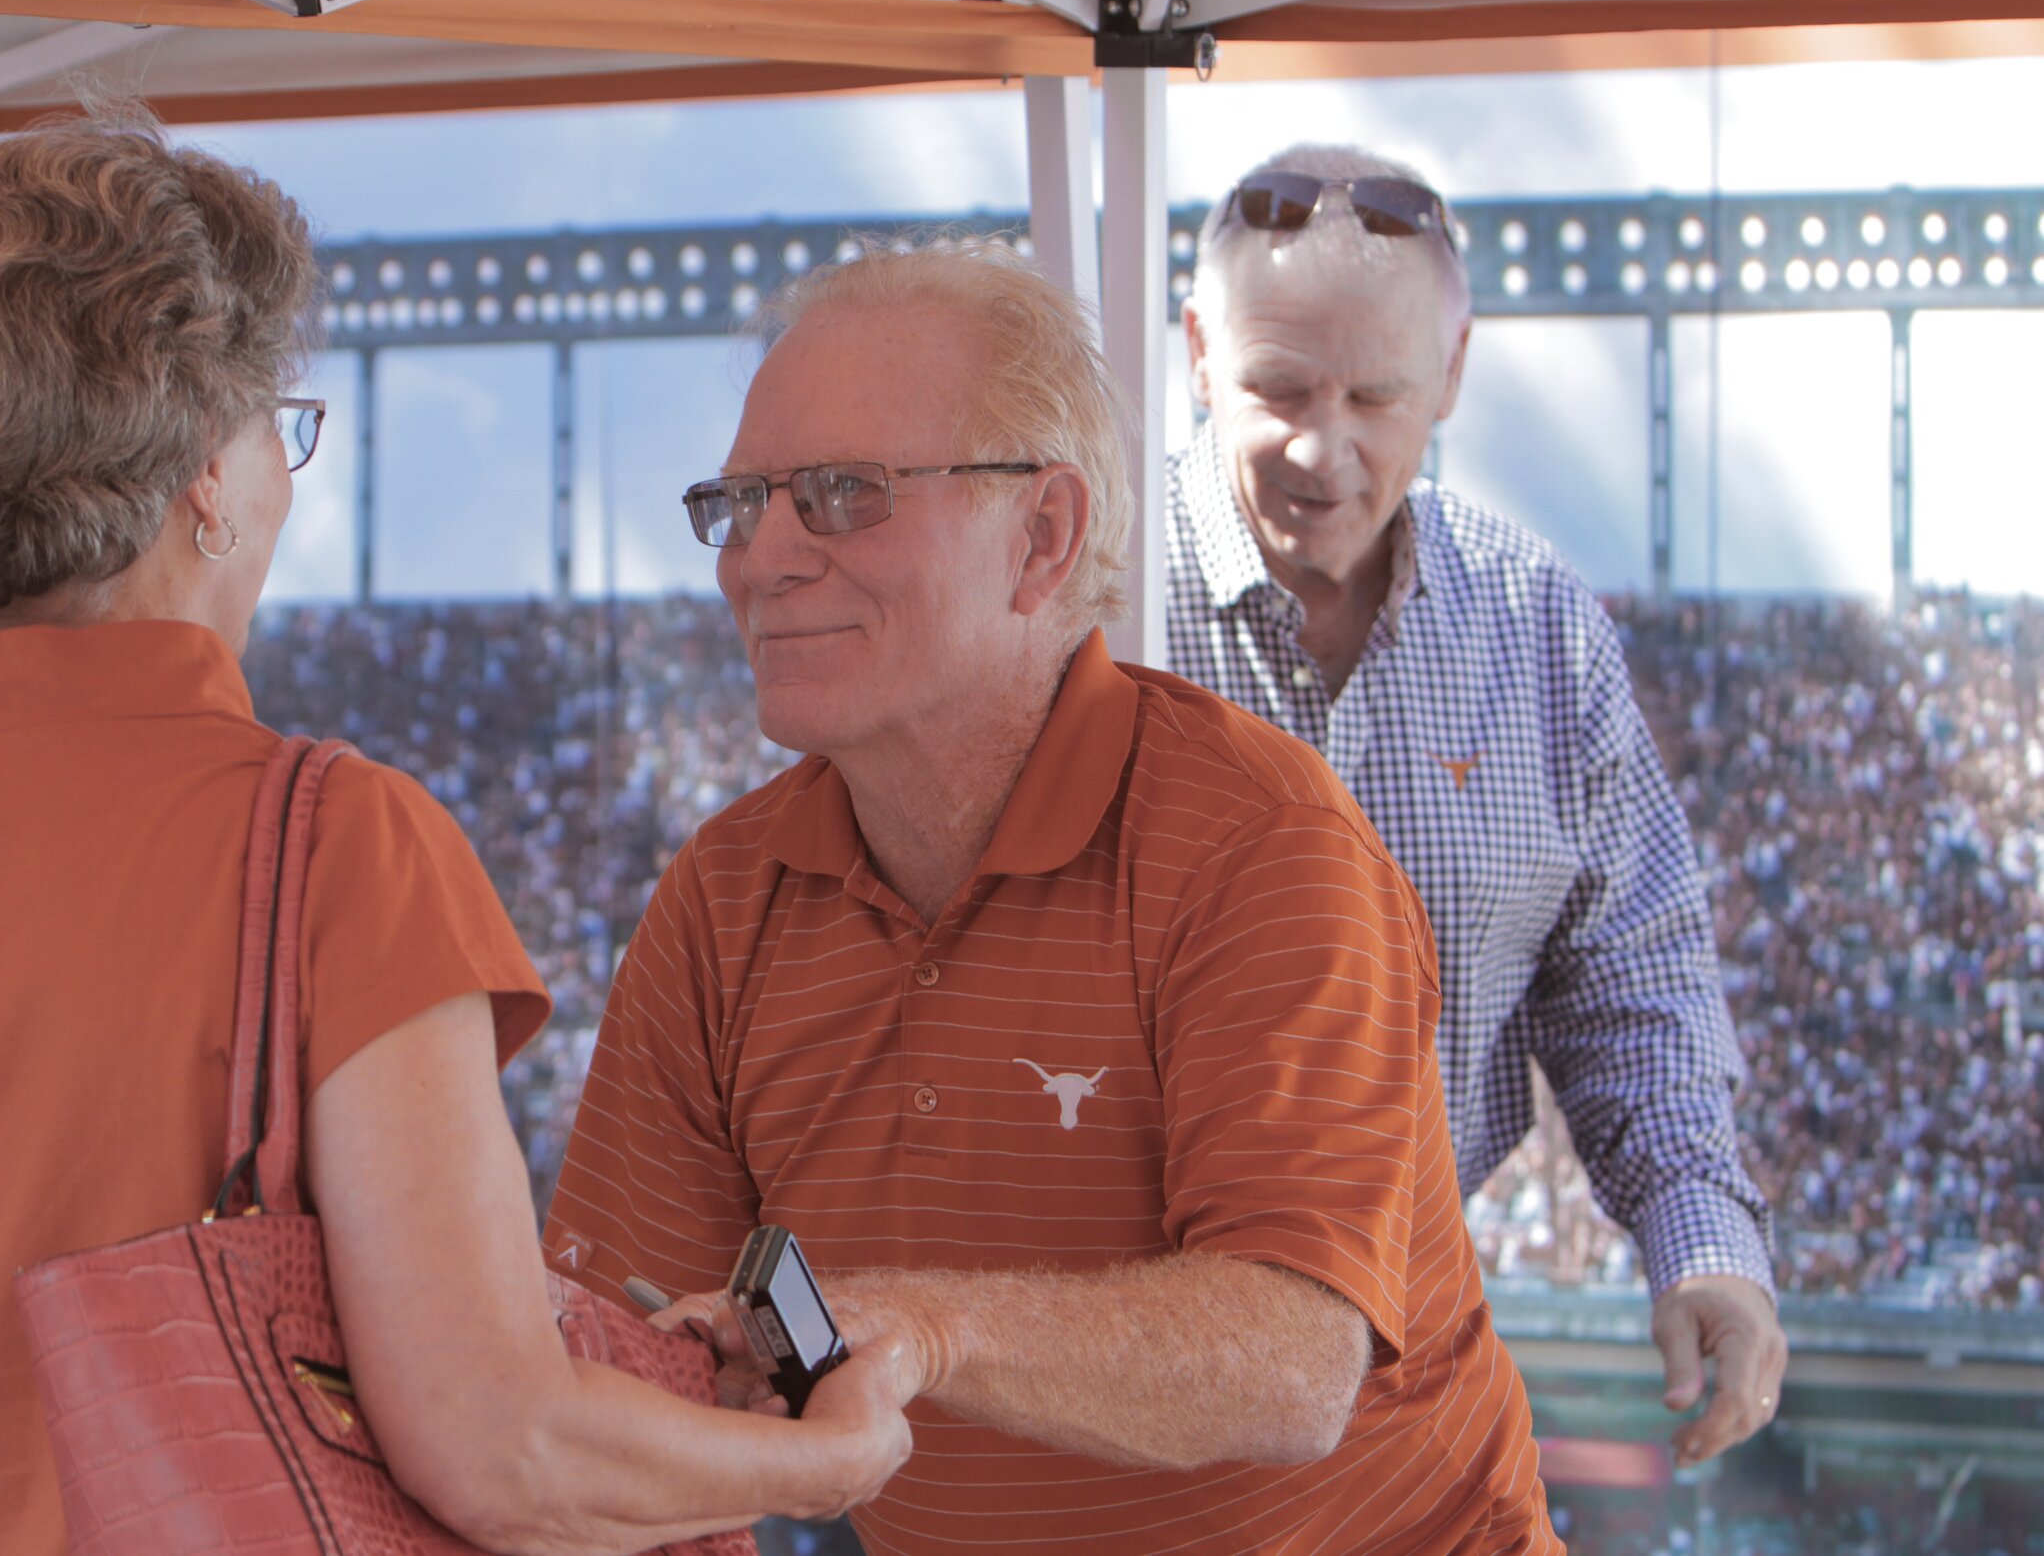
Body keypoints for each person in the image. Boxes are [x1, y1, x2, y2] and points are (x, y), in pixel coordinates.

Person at [0, 113, 910, 1556]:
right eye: (280, 427)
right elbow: (503, 1448)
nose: (284, 476)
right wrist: (826, 1462)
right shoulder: (338, 845)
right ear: (204, 464)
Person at [544, 241, 1561, 1555]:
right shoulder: (724, 901)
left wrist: (929, 1328)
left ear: (1044, 535)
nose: (759, 559)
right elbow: (625, 1364)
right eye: (738, 502)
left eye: (843, 494)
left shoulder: (1260, 844)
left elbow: (1294, 1359)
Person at [1168, 142, 1787, 1466]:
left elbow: (1632, 980)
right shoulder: (1084, 600)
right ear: (1197, 352)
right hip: (1119, 1380)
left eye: (1375, 396)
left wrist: (1706, 1242)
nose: (1320, 450)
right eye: (1277, 387)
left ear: (1450, 378)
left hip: (1415, 1369)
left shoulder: (1539, 623)